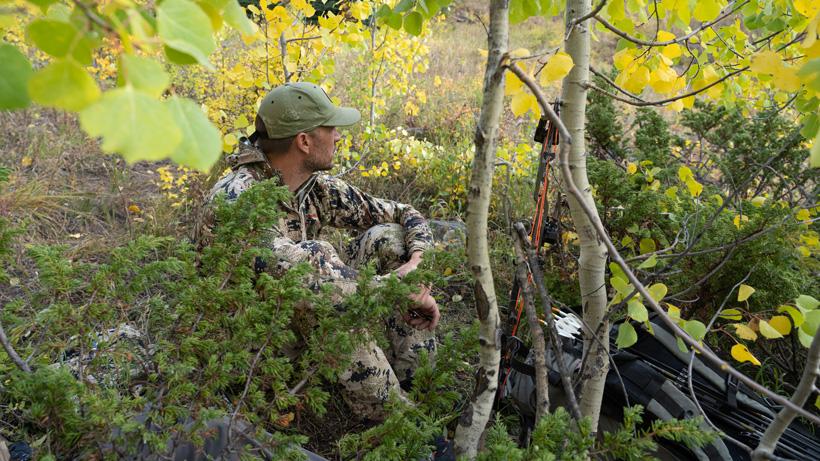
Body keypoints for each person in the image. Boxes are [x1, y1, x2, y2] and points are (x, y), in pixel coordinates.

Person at [197, 82, 441, 421]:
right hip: (252, 355)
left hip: (302, 312)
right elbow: (313, 284)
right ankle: (403, 426)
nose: (339, 136)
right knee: (328, 300)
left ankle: (421, 382)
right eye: (331, 128)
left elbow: (404, 213)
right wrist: (398, 289)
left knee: (390, 238)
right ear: (304, 141)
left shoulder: (313, 188)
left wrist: (417, 263)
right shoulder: (237, 202)